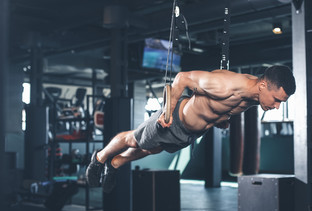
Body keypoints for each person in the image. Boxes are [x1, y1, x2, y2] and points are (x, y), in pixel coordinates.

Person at [86, 65, 296, 193]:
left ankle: (115, 163)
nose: (277, 106)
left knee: (154, 149)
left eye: (281, 103)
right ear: (263, 86)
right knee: (134, 139)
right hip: (176, 119)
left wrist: (222, 119)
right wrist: (166, 112)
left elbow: (223, 109)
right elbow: (182, 78)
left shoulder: (254, 97)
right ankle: (100, 158)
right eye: (277, 100)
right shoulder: (227, 85)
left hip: (191, 133)